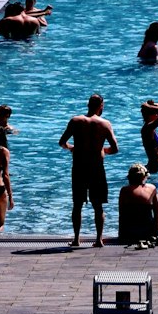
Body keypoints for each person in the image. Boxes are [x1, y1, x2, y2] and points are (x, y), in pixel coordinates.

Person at [57, 94, 118, 247]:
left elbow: (62, 142)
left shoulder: (76, 121)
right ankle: (99, 240)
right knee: (98, 205)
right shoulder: (105, 124)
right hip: (97, 167)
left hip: (79, 167)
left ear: (88, 104)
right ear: (101, 106)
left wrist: (71, 148)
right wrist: (103, 150)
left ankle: (77, 239)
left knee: (77, 204)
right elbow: (115, 148)